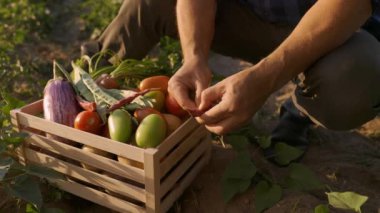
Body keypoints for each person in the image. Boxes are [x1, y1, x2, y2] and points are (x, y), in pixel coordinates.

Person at [82, 0, 380, 161]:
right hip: (247, 13)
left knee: (357, 77)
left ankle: (299, 110)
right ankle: (84, 94)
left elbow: (350, 5)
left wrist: (263, 81)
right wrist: (194, 58)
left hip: (332, 28)